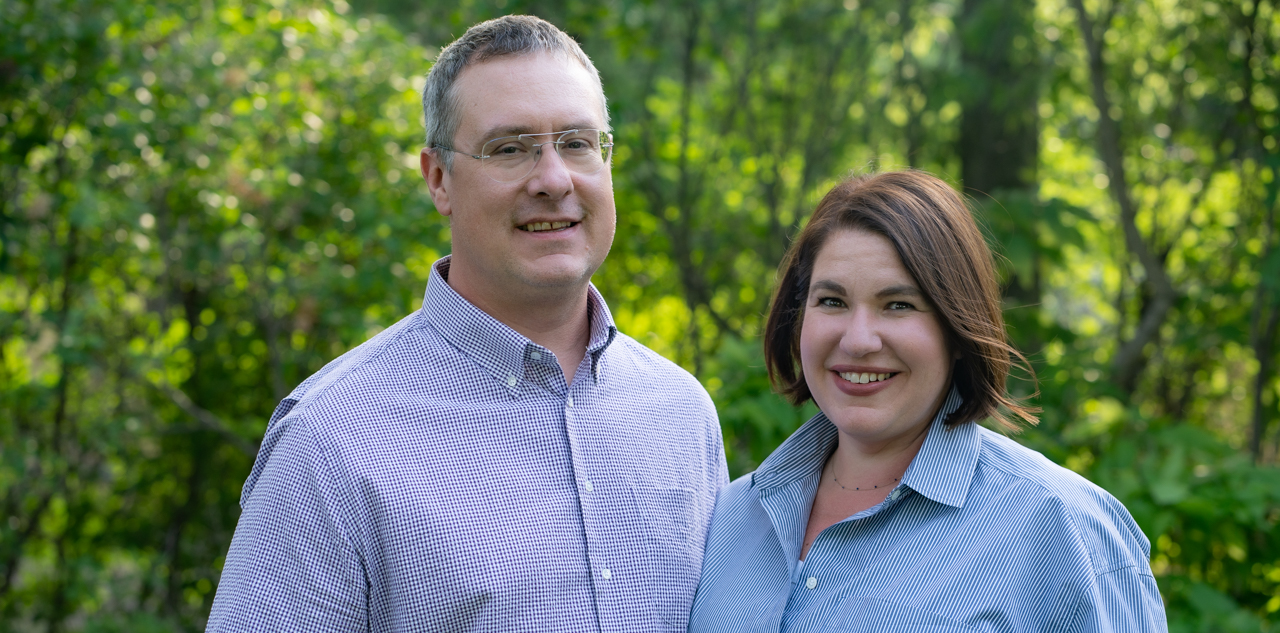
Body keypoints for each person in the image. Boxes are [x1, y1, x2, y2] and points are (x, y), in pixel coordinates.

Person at [208, 15, 728, 632]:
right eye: (510, 149)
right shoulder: (330, 440)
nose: (554, 179)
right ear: (439, 179)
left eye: (577, 143)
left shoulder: (680, 412)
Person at [687, 170, 1167, 632]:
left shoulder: (1063, 531)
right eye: (832, 301)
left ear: (958, 328)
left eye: (899, 305)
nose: (858, 341)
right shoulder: (732, 517)